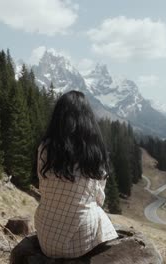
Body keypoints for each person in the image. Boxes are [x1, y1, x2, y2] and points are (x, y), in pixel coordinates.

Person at [34, 90, 118, 258]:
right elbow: (99, 199)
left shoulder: (45, 147)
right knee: (101, 217)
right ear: (87, 119)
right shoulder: (93, 153)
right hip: (79, 240)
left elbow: (43, 186)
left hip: (45, 235)